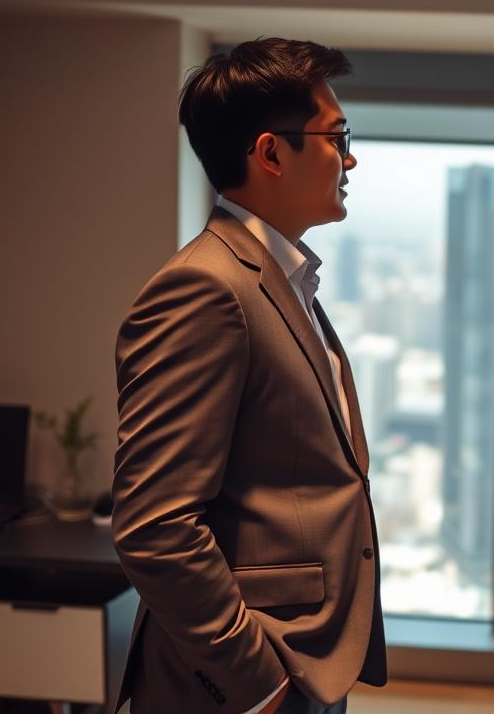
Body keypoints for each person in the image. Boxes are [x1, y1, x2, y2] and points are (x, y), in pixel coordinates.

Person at [112, 38, 385, 714]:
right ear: (270, 152)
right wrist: (257, 683)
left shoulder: (281, 280)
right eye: (336, 136)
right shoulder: (205, 289)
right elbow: (155, 525)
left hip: (304, 662)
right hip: (241, 680)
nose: (350, 158)